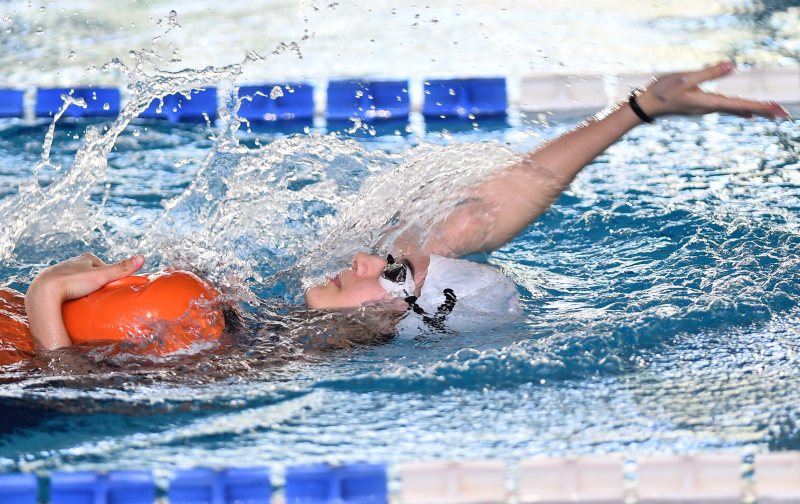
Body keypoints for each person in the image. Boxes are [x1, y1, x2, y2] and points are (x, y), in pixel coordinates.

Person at [21, 63, 789, 351]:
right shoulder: (278, 315)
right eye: (385, 260)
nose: (362, 258)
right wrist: (637, 110)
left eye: (387, 274)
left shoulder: (269, 363)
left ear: (403, 320)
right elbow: (481, 213)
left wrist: (46, 295)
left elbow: (80, 394)